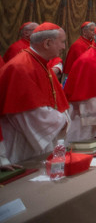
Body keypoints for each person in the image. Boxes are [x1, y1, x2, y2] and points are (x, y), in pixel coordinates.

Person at [0, 23, 69, 165]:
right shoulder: (20, 67)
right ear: (48, 43)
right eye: (62, 42)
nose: (63, 47)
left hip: (39, 137)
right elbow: (28, 112)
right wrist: (63, 120)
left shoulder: (41, 63)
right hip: (24, 141)